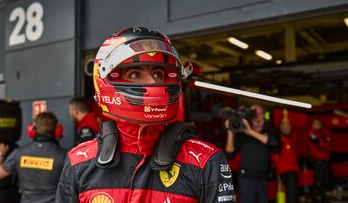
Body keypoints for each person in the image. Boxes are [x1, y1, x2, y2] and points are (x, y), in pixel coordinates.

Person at [56, 27, 236, 203]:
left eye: (158, 74)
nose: (152, 83)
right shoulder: (79, 162)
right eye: (135, 74)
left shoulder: (206, 161)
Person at [0, 112, 66, 203]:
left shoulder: (19, 153)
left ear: (31, 130)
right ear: (58, 130)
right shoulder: (64, 156)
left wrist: (0, 155)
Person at [225, 104, 280, 203]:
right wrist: (230, 131)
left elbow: (275, 144)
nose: (257, 117)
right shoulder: (243, 134)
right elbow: (229, 154)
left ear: (264, 115)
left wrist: (250, 132)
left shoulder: (270, 130)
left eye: (260, 114)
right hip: (246, 179)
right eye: (254, 114)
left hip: (263, 179)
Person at [276, 115, 299, 203]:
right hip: (286, 172)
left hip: (292, 171)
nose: (290, 127)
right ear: (281, 127)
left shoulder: (290, 139)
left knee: (292, 196)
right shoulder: (278, 140)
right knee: (291, 197)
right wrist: (278, 174)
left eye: (289, 124)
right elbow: (275, 157)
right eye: (287, 125)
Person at [308, 119, 331, 203]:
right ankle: (314, 198)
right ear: (313, 125)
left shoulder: (322, 133)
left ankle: (323, 197)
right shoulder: (312, 134)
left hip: (325, 159)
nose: (319, 125)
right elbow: (322, 144)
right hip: (317, 160)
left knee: (324, 180)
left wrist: (324, 143)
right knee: (317, 180)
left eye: (320, 124)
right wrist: (324, 143)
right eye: (317, 124)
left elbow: (328, 144)